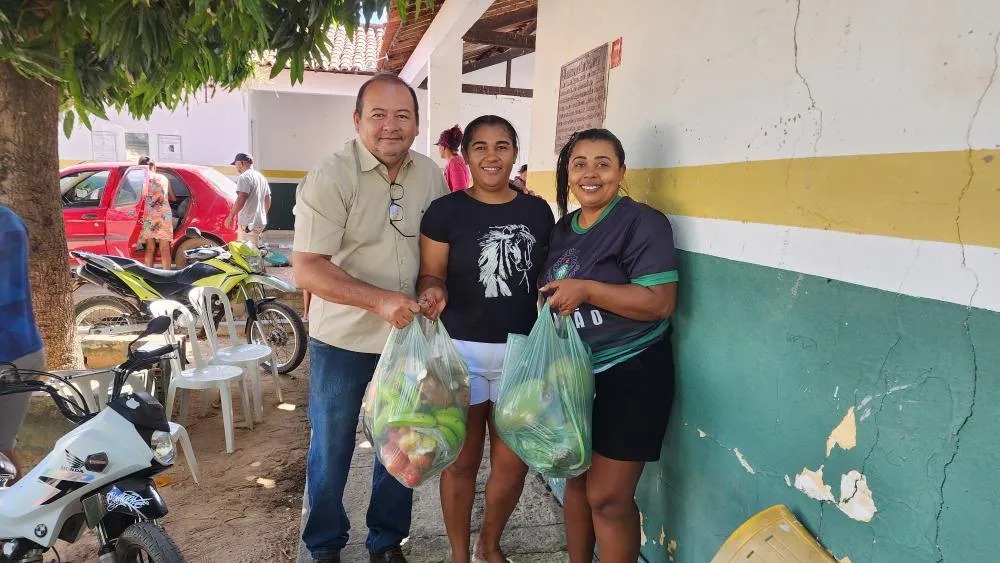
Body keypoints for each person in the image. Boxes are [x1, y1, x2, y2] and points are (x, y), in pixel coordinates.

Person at [292, 73, 449, 563]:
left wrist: (432, 284)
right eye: (378, 115)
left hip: (408, 339)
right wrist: (380, 300)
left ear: (417, 124)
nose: (390, 126)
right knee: (332, 446)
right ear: (357, 120)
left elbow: (434, 256)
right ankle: (323, 546)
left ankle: (386, 541)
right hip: (342, 338)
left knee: (403, 444)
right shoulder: (331, 175)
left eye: (402, 115)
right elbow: (307, 267)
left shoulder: (430, 175)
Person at [417, 116, 554, 563]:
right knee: (460, 461)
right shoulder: (445, 212)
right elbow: (431, 272)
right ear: (466, 154)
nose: (491, 156)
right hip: (460, 354)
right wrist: (432, 289)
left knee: (512, 465)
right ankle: (459, 555)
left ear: (515, 151)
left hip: (520, 354)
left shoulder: (537, 212)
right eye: (480, 147)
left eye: (502, 146)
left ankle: (487, 546)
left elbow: (543, 277)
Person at [538, 129, 678, 563]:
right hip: (576, 373)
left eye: (603, 163)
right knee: (575, 481)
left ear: (622, 171)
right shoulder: (564, 230)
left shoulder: (643, 222)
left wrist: (587, 290)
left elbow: (659, 303)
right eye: (579, 164)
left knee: (609, 498)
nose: (590, 173)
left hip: (632, 372)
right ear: (568, 173)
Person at [0, 205, 45, 483]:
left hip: (6, 355)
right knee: (4, 449)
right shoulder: (11, 219)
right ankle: (20, 521)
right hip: (26, 346)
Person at [225, 152, 272, 247]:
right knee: (255, 248)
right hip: (260, 221)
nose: (236, 167)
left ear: (241, 163)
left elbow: (241, 198)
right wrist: (262, 214)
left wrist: (231, 216)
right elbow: (268, 198)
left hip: (248, 222)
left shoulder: (244, 177)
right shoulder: (261, 177)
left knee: (247, 253)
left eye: (236, 164)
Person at [137, 156, 176, 269]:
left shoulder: (141, 180)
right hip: (164, 215)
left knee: (150, 248)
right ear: (154, 167)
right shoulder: (163, 178)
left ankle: (149, 274)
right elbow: (173, 198)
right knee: (164, 248)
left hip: (149, 215)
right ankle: (167, 275)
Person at [437, 124, 471, 192]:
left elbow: (459, 192)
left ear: (444, 147)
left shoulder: (454, 163)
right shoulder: (456, 160)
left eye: (439, 145)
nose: (438, 149)